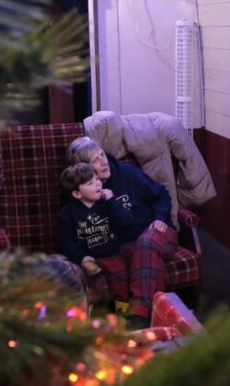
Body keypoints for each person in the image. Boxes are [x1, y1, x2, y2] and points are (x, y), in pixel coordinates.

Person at [65, 136, 178, 328]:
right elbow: (71, 232)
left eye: (102, 155)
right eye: (95, 160)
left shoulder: (127, 173)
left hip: (157, 230)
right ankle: (154, 326)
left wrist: (160, 217)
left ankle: (139, 316)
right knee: (148, 263)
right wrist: (83, 256)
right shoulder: (85, 193)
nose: (103, 162)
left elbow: (162, 195)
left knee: (146, 243)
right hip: (128, 244)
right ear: (83, 169)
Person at [56, 163, 133, 301]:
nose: (98, 184)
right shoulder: (68, 213)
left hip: (111, 253)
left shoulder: (107, 203)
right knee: (93, 281)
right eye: (90, 183)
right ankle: (93, 317)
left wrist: (112, 200)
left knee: (120, 275)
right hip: (87, 258)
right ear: (77, 193)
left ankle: (122, 315)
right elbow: (66, 241)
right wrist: (81, 257)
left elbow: (127, 222)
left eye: (97, 179)